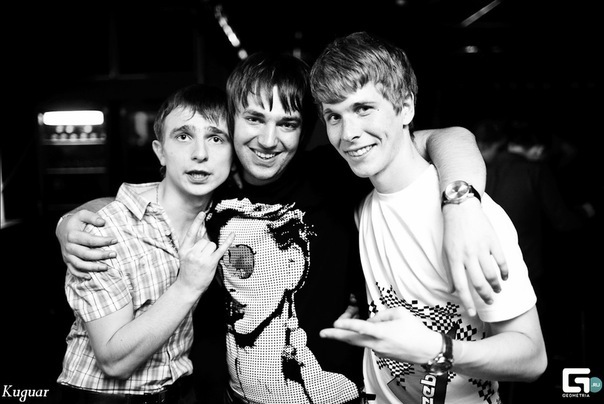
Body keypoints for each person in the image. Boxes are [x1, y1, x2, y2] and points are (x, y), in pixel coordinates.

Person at [56, 51, 507, 403]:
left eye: (286, 124)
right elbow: (153, 199)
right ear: (232, 120)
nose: (268, 141)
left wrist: (462, 205)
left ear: (305, 131)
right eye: (254, 119)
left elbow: (449, 137)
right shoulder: (214, 187)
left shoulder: (332, 174)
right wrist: (74, 219)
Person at [310, 31, 547, 403]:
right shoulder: (360, 204)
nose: (349, 133)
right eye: (333, 116)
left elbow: (532, 357)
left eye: (363, 108)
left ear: (405, 107)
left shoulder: (471, 216)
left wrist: (438, 350)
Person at [55, 84, 235, 404]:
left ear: (234, 156)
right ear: (160, 151)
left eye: (216, 138)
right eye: (183, 136)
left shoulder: (224, 220)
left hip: (181, 392)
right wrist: (187, 286)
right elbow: (113, 360)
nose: (200, 153)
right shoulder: (107, 230)